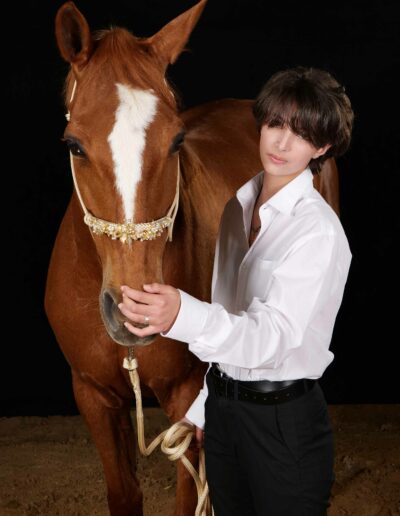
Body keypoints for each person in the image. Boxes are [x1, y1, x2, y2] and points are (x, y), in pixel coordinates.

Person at [118, 66, 354, 515]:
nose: (282, 143)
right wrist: (209, 406)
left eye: (302, 134)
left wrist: (180, 316)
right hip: (226, 413)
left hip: (284, 424)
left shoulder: (318, 232)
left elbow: (272, 338)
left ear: (322, 147)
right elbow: (232, 315)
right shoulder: (237, 207)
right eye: (275, 124)